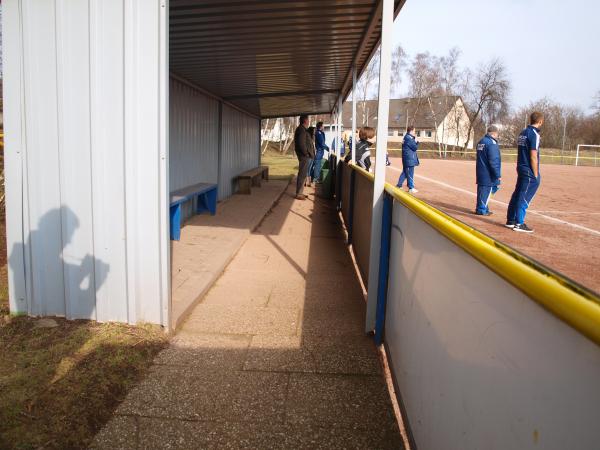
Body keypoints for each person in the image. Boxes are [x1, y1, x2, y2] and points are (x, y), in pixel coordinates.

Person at [506, 111, 544, 233]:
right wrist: (536, 173)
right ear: (540, 121)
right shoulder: (534, 134)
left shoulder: (523, 132)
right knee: (524, 195)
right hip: (528, 169)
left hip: (521, 167)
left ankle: (511, 220)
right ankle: (519, 222)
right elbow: (533, 155)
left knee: (517, 193)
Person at [475, 125, 501, 215]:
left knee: (483, 190)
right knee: (489, 189)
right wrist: (498, 175)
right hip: (488, 173)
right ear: (494, 133)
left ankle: (483, 207)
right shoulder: (491, 143)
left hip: (481, 171)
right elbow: (494, 160)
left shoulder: (481, 142)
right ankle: (481, 209)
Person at [294, 114, 315, 200]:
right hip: (304, 156)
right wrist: (306, 153)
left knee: (303, 174)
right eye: (308, 119)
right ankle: (299, 193)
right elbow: (301, 143)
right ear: (305, 120)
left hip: (304, 156)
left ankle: (300, 192)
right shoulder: (301, 130)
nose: (309, 121)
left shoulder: (302, 129)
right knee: (302, 174)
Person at [396, 126, 419, 193]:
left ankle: (399, 185)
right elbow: (414, 147)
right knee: (410, 173)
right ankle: (411, 188)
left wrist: (414, 139)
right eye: (414, 131)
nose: (415, 132)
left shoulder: (407, 137)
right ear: (411, 131)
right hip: (409, 159)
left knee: (405, 173)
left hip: (407, 159)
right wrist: (417, 142)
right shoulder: (408, 138)